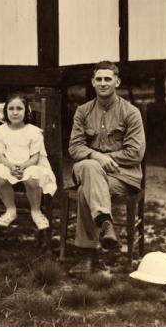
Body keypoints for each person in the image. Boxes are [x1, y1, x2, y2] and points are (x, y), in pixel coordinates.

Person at [68, 60, 146, 273]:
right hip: (88, 169)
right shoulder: (82, 112)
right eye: (99, 79)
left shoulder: (131, 112)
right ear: (93, 82)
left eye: (107, 79)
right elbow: (74, 148)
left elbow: (135, 153)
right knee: (90, 169)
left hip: (121, 175)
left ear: (117, 81)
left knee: (86, 188)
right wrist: (97, 158)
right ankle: (105, 223)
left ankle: (87, 257)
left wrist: (103, 158)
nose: (103, 83)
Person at [0, 93, 57, 233]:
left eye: (19, 109)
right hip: (7, 164)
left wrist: (23, 166)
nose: (15, 112)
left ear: (26, 111)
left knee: (32, 177)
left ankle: (36, 210)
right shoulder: (0, 132)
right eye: (11, 109)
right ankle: (10, 209)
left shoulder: (34, 132)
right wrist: (10, 166)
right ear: (5, 111)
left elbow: (35, 156)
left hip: (30, 165)